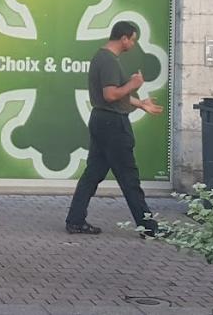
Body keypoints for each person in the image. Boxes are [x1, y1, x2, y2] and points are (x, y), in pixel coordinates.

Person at [65, 21, 163, 237]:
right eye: (133, 40)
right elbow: (111, 95)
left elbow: (115, 96)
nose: (133, 44)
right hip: (113, 125)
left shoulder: (102, 57)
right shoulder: (108, 61)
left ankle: (75, 220)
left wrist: (140, 103)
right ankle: (149, 228)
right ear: (124, 38)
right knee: (129, 178)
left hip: (101, 120)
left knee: (93, 174)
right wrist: (134, 84)